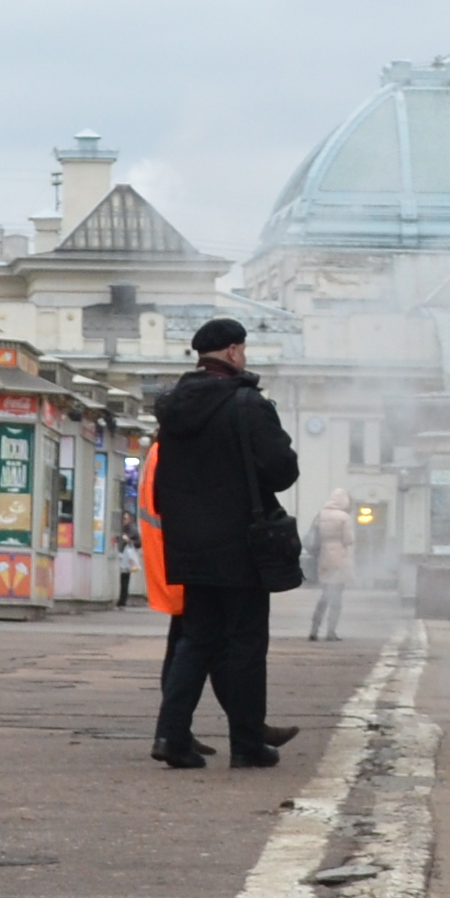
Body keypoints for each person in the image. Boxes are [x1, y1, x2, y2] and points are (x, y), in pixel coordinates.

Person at [148, 319, 303, 770]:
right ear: (233, 351)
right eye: (244, 349)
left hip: (188, 545)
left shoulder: (172, 409)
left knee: (196, 641)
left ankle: (171, 736)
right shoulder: (247, 404)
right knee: (245, 644)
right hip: (241, 545)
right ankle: (247, 743)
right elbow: (282, 470)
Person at [304, 497, 357, 641]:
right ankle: (331, 632)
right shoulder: (344, 517)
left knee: (324, 596)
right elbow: (348, 540)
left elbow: (313, 537)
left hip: (323, 559)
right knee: (336, 599)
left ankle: (314, 630)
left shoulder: (320, 515)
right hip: (339, 560)